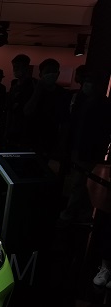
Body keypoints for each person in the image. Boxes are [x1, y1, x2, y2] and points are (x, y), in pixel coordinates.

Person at [59, 71, 111, 225]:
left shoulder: (97, 103)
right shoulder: (84, 101)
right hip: (81, 147)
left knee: (78, 181)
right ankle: (82, 212)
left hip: (87, 148)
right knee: (80, 181)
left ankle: (73, 212)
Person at [2, 54, 37, 151]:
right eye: (14, 67)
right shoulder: (14, 87)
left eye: (18, 67)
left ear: (26, 67)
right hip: (14, 129)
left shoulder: (33, 85)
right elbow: (9, 110)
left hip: (26, 130)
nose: (15, 69)